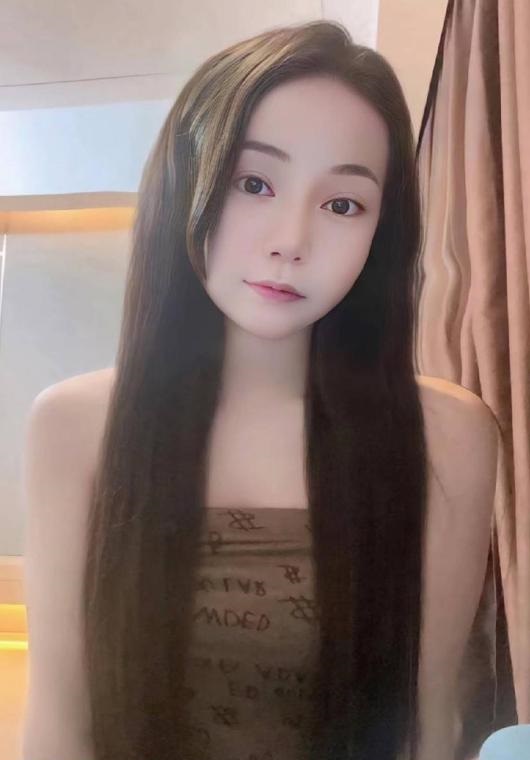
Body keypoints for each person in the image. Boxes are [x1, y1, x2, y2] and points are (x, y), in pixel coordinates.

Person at [21, 19, 499, 760]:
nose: (291, 240)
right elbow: (58, 726)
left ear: (381, 233)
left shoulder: (448, 436)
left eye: (343, 204)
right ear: (187, 185)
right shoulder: (76, 426)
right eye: (254, 183)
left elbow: (426, 726)